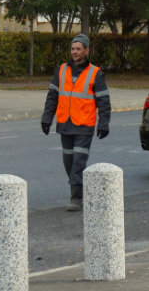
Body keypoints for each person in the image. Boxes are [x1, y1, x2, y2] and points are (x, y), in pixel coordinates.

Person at [41, 34, 111, 211]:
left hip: (85, 125)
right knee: (69, 162)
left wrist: (104, 123)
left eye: (78, 49)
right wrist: (46, 118)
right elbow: (52, 97)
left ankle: (76, 197)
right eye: (73, 48)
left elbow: (103, 101)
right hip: (65, 124)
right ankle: (80, 190)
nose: (75, 52)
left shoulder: (95, 73)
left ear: (86, 51)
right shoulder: (62, 70)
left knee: (78, 160)